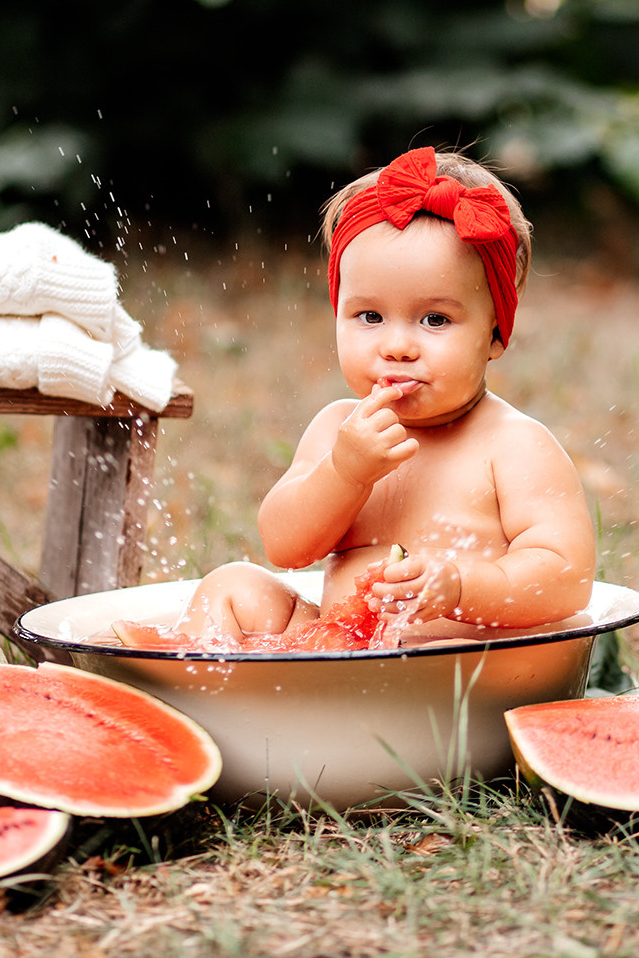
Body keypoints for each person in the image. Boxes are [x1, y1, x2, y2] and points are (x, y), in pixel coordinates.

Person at [168, 146, 596, 645]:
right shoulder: (337, 430)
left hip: (455, 662)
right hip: (334, 648)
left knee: (455, 645)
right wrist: (343, 473)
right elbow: (284, 547)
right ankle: (208, 695)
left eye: (435, 319)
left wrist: (461, 588)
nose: (396, 347)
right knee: (233, 586)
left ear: (496, 333)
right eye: (369, 317)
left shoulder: (514, 445)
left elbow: (568, 578)